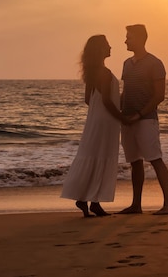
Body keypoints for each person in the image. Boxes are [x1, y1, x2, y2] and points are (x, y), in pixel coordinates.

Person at [61, 35, 123, 217]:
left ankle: (86, 199)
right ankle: (94, 201)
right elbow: (107, 101)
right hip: (107, 121)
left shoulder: (92, 72)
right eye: (107, 45)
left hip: (95, 119)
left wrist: (99, 112)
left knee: (93, 154)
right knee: (102, 155)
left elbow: (88, 99)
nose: (111, 47)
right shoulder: (104, 72)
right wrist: (121, 117)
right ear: (100, 50)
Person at [118, 24, 168, 215]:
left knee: (155, 159)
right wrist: (118, 112)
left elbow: (159, 95)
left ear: (141, 39)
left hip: (146, 119)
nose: (126, 40)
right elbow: (125, 92)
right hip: (127, 119)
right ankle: (136, 205)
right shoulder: (126, 63)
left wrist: (140, 115)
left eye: (129, 37)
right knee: (135, 161)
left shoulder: (155, 63)